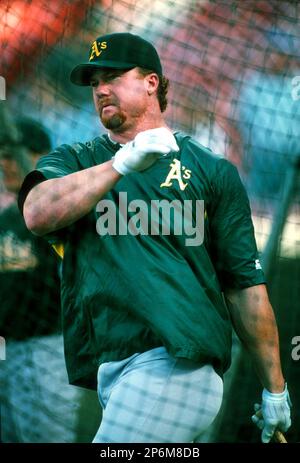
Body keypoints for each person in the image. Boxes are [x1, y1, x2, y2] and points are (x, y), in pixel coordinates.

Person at [19, 32, 292, 443]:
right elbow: (37, 213)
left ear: (151, 83)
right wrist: (121, 164)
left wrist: (275, 388)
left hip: (179, 365)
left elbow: (245, 289)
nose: (101, 89)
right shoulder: (76, 160)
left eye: (113, 76)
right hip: (112, 371)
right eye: (94, 83)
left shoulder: (210, 170)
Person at [0, 114, 95, 443]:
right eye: (2, 156)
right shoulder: (8, 217)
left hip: (48, 347)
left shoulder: (61, 212)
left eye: (13, 155)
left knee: (46, 436)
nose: (5, 164)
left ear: (40, 156)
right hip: (7, 348)